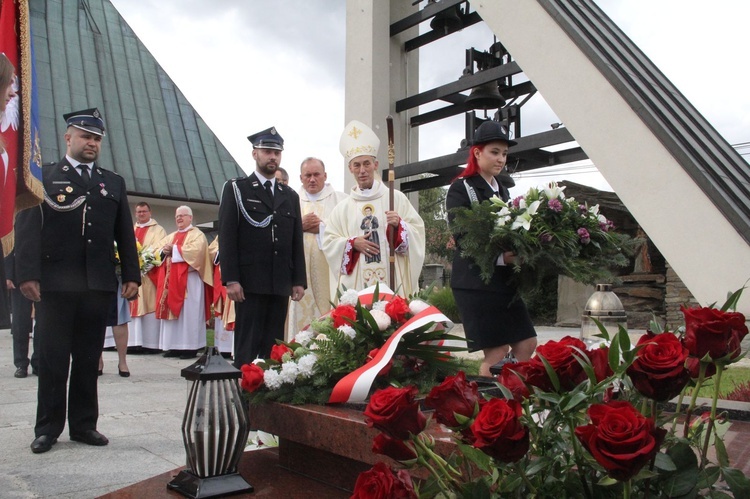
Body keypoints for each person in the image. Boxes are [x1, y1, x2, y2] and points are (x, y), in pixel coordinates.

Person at [14, 108, 140, 453]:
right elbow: (27, 226)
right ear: (68, 137)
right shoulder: (45, 175)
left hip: (96, 284)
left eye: (97, 138)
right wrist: (27, 273)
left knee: (88, 358)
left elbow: (123, 233)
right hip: (55, 284)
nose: (92, 143)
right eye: (85, 136)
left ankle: (84, 425)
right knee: (52, 358)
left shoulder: (111, 182)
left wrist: (131, 274)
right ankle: (48, 428)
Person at [446, 120, 537, 377]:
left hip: (504, 282)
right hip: (476, 283)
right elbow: (464, 237)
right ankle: (488, 409)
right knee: (496, 353)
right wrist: (501, 257)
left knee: (526, 344)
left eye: (505, 153)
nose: (501, 159)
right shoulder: (461, 188)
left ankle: (513, 399)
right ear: (477, 153)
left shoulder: (504, 191)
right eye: (494, 152)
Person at [218, 126, 306, 367]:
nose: (273, 157)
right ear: (255, 154)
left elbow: (295, 240)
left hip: (279, 283)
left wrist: (298, 279)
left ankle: (267, 400)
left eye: (277, 153)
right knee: (246, 348)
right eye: (267, 151)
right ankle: (244, 400)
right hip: (249, 283)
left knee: (273, 350)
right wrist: (231, 279)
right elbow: (227, 236)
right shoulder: (237, 189)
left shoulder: (289, 195)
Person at [323, 120, 425, 298]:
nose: (362, 170)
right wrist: (352, 243)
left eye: (366, 163)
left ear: (375, 165)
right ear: (350, 169)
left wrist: (401, 227)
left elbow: (418, 232)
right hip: (357, 286)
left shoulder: (396, 199)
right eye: (357, 165)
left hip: (393, 281)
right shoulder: (342, 209)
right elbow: (329, 243)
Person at [287, 157, 347, 337]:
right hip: (298, 276)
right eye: (307, 175)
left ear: (325, 175)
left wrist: (321, 227)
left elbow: (347, 231)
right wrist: (299, 226)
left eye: (316, 174)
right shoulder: (291, 200)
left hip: (329, 274)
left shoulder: (341, 200)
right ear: (300, 178)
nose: (312, 179)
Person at [155, 206, 212, 359]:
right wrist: (164, 250)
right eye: (177, 216)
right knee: (174, 315)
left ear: (190, 218)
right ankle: (173, 346)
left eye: (182, 216)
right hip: (171, 281)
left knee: (189, 315)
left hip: (190, 281)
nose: (179, 218)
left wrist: (174, 249)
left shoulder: (197, 235)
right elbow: (157, 250)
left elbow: (197, 252)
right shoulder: (171, 235)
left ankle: (190, 347)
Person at [129, 202, 166, 352]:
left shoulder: (159, 230)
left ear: (150, 212)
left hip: (149, 275)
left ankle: (150, 344)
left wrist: (144, 265)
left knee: (149, 305)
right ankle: (132, 343)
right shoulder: (130, 229)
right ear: (135, 213)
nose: (141, 214)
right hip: (132, 275)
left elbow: (160, 249)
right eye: (139, 212)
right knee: (132, 306)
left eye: (144, 211)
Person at [5, 250, 37, 378]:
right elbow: (8, 241)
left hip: (45, 272)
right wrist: (8, 274)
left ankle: (39, 361)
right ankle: (21, 363)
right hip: (20, 273)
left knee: (44, 321)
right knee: (20, 321)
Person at [208, 237, 234, 357]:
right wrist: (220, 252)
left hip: (235, 279)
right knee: (221, 309)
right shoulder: (221, 235)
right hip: (221, 278)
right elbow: (211, 250)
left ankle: (231, 348)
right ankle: (222, 347)